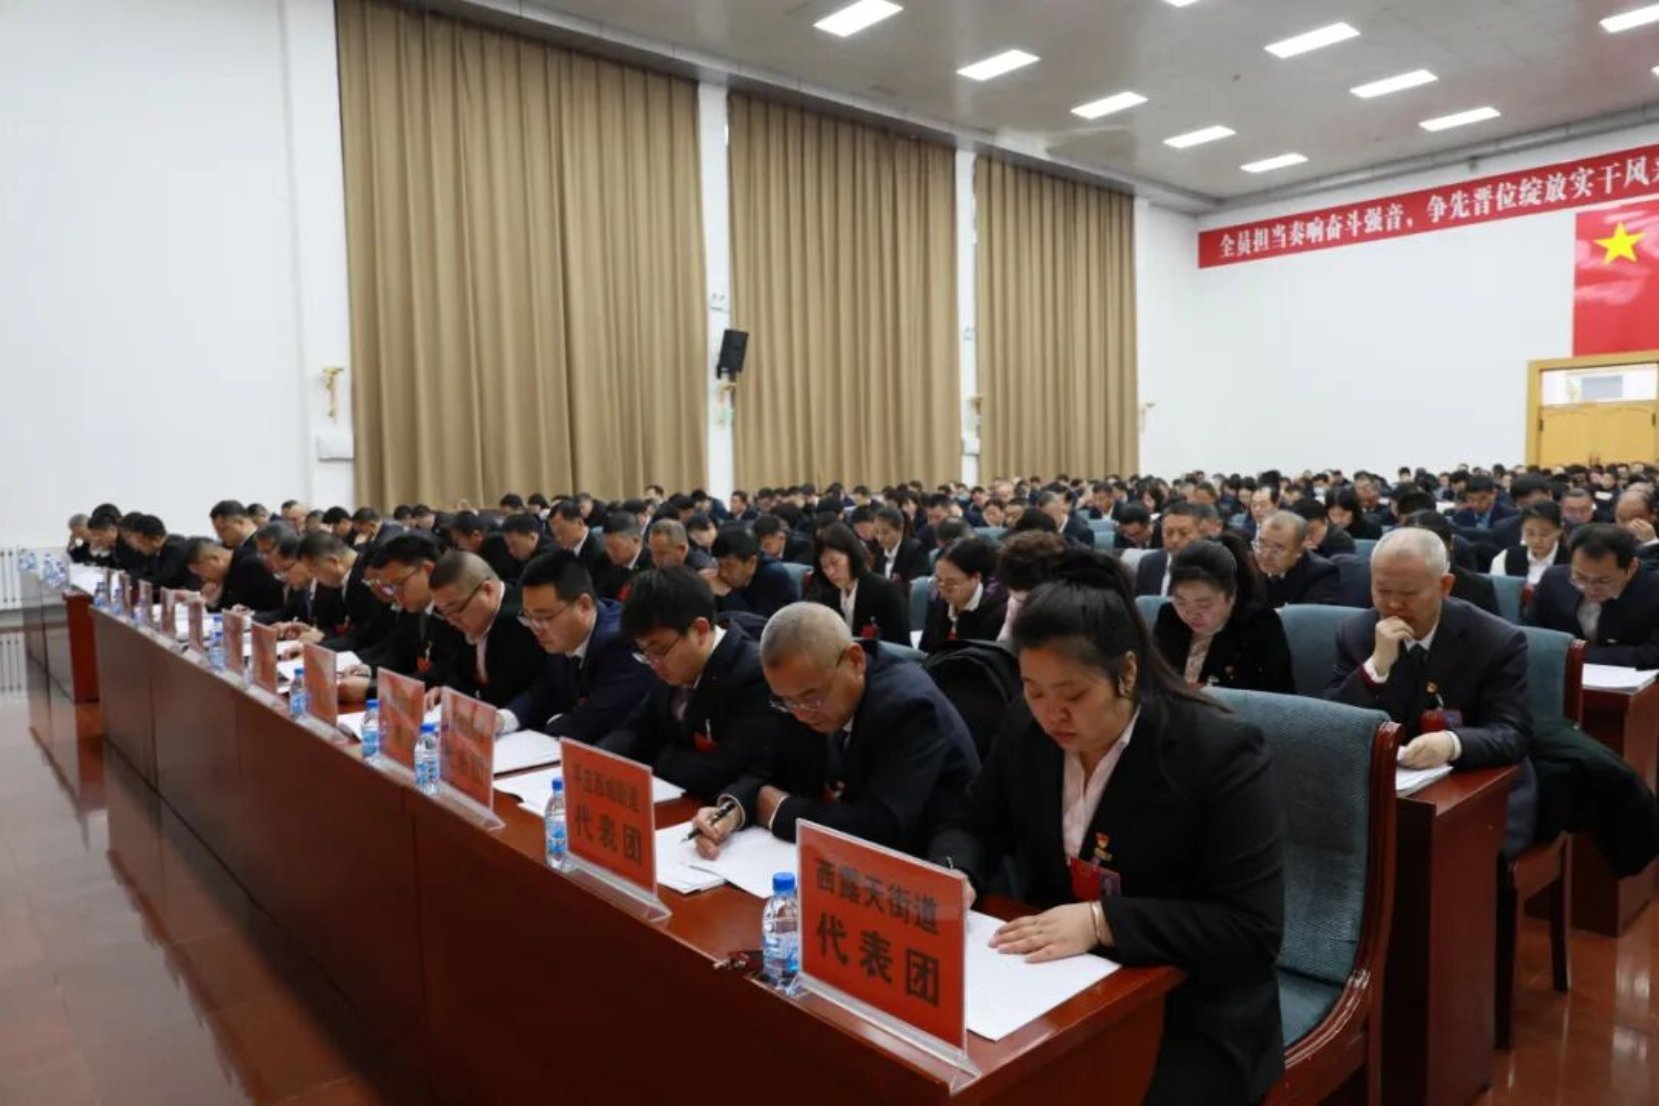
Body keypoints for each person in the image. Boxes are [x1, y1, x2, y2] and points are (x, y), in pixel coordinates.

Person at [931, 551, 1284, 1105]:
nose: (1051, 715)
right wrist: (953, 873)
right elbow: (972, 821)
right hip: (1053, 980)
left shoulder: (1217, 752)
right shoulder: (1027, 727)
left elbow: (1251, 929)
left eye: (1073, 695)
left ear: (1127, 672)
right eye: (1034, 690)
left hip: (1188, 998)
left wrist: (1102, 922)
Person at [689, 602, 980, 859]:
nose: (801, 713)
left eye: (811, 696)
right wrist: (730, 811)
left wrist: (782, 812)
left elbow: (883, 827)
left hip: (931, 860)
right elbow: (770, 767)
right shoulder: (800, 691)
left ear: (855, 661)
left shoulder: (908, 708)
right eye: (786, 700)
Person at [1326, 528, 1536, 857]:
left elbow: (1513, 733)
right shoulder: (1357, 632)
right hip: (1389, 788)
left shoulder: (1496, 640)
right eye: (1382, 590)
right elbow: (1333, 724)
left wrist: (1452, 744)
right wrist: (1376, 667)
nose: (1393, 604)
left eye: (1408, 593)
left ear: (1444, 586)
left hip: (1476, 786)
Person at [599, 568, 798, 797]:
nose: (653, 663)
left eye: (659, 651)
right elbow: (636, 729)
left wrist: (655, 757)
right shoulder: (671, 664)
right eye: (645, 653)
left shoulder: (754, 676)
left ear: (700, 631)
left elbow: (727, 771)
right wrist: (598, 759)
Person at [499, 553, 656, 741]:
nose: (535, 627)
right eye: (528, 616)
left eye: (544, 616)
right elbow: (544, 690)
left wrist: (554, 723)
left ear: (584, 605)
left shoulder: (620, 642)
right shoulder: (562, 635)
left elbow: (592, 724)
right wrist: (503, 719)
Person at [1153, 535, 1294, 693]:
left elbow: (1265, 697)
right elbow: (1152, 678)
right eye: (1181, 601)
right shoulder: (1169, 617)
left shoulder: (1259, 624)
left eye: (1204, 605)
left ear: (1231, 595)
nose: (1191, 614)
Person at [1526, 524, 1659, 669]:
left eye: (1602, 581)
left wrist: (1577, 654)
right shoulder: (1553, 579)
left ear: (1631, 568)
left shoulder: (1653, 590)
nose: (1589, 589)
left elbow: (1653, 653)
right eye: (1580, 577)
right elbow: (1531, 635)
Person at [424, 551, 545, 710]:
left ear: (487, 590)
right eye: (444, 613)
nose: (452, 621)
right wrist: (448, 691)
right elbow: (463, 673)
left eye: (456, 610)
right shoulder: (464, 616)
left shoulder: (527, 618)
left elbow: (534, 691)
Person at [806, 522, 910, 645]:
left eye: (835, 562)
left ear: (851, 555)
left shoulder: (884, 591)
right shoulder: (827, 596)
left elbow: (899, 647)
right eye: (824, 567)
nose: (830, 572)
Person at [1402, 510, 1500, 617]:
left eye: (1430, 548)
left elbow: (1491, 627)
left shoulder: (1479, 588)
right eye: (1412, 548)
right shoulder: (1393, 583)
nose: (1421, 554)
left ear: (1451, 543)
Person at [919, 537, 1008, 652]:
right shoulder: (936, 598)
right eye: (938, 580)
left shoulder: (997, 611)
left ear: (976, 578)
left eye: (951, 583)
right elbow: (926, 649)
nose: (942, 589)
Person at [1254, 511, 1339, 607]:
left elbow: (1310, 615)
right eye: (1262, 543)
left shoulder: (1321, 573)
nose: (1265, 555)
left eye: (1278, 549)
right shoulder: (1248, 564)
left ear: (1299, 550)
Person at [709, 525, 796, 620]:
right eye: (720, 565)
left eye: (730, 566)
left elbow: (759, 623)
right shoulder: (725, 576)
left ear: (752, 562)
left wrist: (728, 595)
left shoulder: (774, 576)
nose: (723, 573)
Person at [185, 536, 285, 613]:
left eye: (201, 573)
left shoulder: (250, 565)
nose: (203, 579)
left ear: (215, 559)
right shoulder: (228, 570)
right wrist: (213, 600)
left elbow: (273, 610)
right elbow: (225, 613)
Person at [1133, 502, 1204, 597]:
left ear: (1200, 533)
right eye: (1169, 533)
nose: (1175, 540)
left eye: (1183, 533)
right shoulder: (1149, 563)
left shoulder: (1212, 566)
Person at [1489, 501, 1570, 585]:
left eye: (1544, 534)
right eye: (1530, 534)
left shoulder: (1571, 561)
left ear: (1559, 531)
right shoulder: (1506, 557)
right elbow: (1496, 588)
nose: (1536, 540)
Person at [591, 512, 653, 601]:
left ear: (635, 540)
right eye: (607, 546)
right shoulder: (605, 561)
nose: (608, 552)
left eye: (614, 548)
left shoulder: (652, 565)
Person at [127, 515, 198, 591]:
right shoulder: (154, 551)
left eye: (140, 541)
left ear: (155, 539)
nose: (138, 546)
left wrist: (132, 578)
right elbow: (141, 571)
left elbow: (160, 581)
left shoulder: (174, 549)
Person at [867, 507, 930, 583]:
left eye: (885, 532)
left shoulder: (916, 550)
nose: (880, 538)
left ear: (900, 529)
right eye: (876, 532)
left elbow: (915, 585)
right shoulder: (880, 551)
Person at [548, 499, 606, 575]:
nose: (558, 538)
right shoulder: (558, 551)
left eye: (562, 532)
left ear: (580, 523)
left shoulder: (599, 554)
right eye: (554, 534)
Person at [1291, 498, 1356, 558]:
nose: (1307, 538)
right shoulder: (1292, 540)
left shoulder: (1342, 540)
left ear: (1325, 521)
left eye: (1312, 532)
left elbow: (1339, 566)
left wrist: (1310, 555)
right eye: (1302, 534)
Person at [499, 513, 552, 581]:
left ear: (532, 537)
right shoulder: (525, 555)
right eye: (508, 546)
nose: (510, 551)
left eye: (514, 545)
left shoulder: (549, 559)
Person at [647, 519, 713, 572]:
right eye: (653, 553)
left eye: (662, 553)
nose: (655, 560)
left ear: (681, 549)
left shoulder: (702, 572)